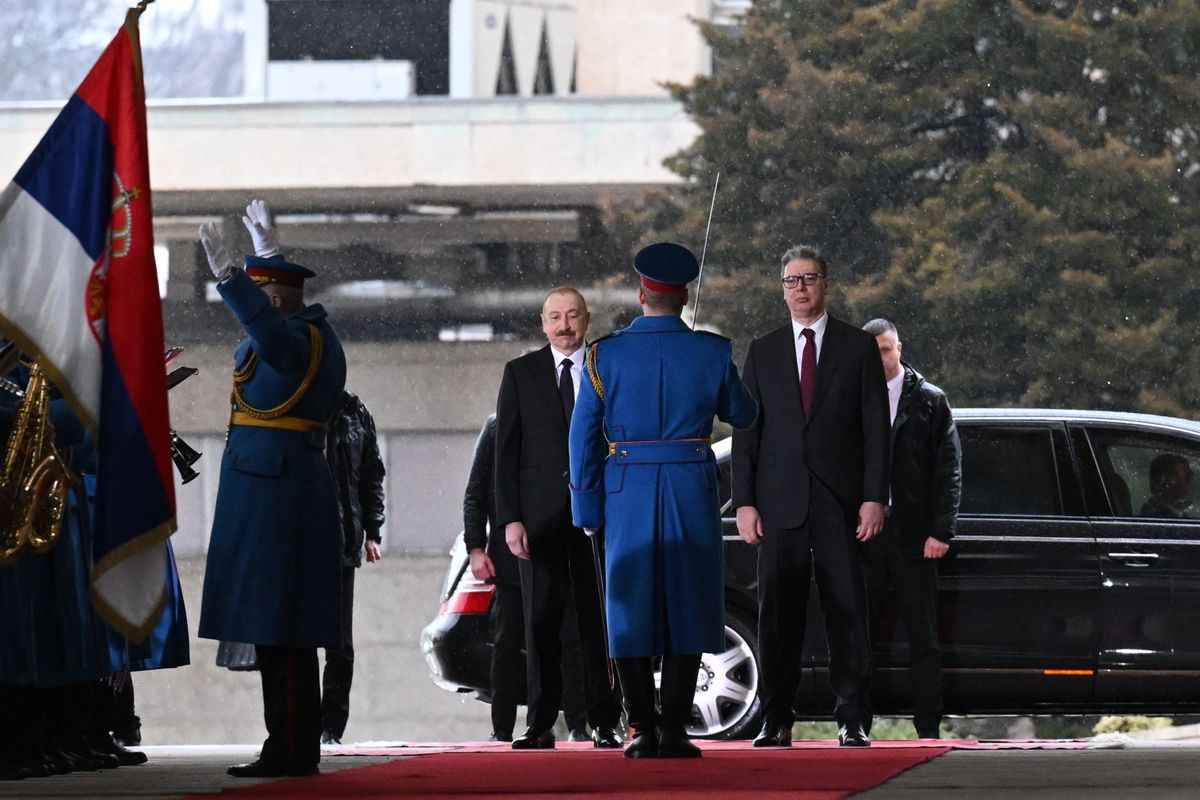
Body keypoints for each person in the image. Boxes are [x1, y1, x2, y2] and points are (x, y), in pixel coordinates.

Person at [569, 243, 757, 758]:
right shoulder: (712, 352)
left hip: (626, 490)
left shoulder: (603, 355)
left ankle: (641, 728)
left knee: (629, 607)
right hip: (689, 487)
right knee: (689, 605)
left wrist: (586, 508)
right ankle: (674, 728)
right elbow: (744, 415)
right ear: (685, 297)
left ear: (641, 295)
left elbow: (582, 437)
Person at [196, 200, 347, 778]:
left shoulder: (299, 339)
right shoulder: (302, 333)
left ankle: (289, 748)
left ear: (274, 301)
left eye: (262, 297)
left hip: (277, 494)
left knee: (282, 629)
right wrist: (267, 260)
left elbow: (272, 340)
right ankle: (287, 743)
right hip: (272, 489)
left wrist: (233, 279)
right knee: (276, 630)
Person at [731, 244, 890, 748]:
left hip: (842, 502)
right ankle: (776, 717)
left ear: (825, 284)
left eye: (809, 278)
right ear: (782, 290)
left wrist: (874, 497)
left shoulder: (857, 347)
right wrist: (744, 502)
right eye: (791, 280)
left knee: (848, 610)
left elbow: (876, 430)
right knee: (779, 614)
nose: (800, 288)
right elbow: (747, 433)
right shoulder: (763, 350)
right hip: (779, 503)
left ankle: (852, 716)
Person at [494, 287, 623, 750]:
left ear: (586, 319)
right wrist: (510, 519)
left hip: (600, 516)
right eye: (555, 317)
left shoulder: (607, 366)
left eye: (572, 316)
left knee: (598, 623)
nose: (564, 326)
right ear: (543, 323)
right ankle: (540, 723)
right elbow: (505, 453)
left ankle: (605, 722)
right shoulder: (520, 373)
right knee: (541, 624)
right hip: (539, 521)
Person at [464, 414, 593, 742]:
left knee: (569, 639)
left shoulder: (565, 417)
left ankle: (577, 725)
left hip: (558, 546)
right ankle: (501, 729)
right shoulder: (496, 426)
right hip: (508, 554)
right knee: (508, 642)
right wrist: (475, 548)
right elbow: (476, 492)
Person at [862, 318, 961, 740]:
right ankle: (857, 725)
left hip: (914, 533)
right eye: (873, 353)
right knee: (860, 634)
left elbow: (948, 470)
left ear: (899, 348)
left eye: (886, 350)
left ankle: (928, 728)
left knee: (924, 636)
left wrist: (941, 531)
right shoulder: (852, 397)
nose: (880, 359)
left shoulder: (930, 400)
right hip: (865, 534)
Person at [320, 389, 386, 745]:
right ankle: (303, 726)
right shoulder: (295, 403)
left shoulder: (355, 412)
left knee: (340, 644)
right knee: (299, 642)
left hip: (343, 539)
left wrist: (373, 531)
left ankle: (330, 729)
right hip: (301, 541)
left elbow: (371, 475)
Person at [1140, 453, 1195, 519]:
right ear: (1166, 483)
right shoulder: (1157, 518)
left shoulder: (1175, 516)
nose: (1192, 484)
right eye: (1187, 477)